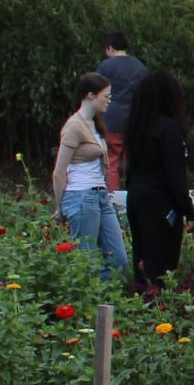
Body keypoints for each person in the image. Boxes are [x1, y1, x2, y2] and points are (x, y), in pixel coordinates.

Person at [122, 68, 194, 288]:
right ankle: (159, 303)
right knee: (162, 260)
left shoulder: (135, 127)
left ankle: (141, 294)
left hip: (135, 195)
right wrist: (187, 210)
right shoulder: (169, 129)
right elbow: (175, 176)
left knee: (142, 253)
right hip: (160, 201)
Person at [52, 73, 127, 282]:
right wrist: (60, 206)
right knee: (86, 261)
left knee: (119, 259)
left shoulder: (95, 124)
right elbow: (59, 171)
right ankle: (88, 306)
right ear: (90, 96)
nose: (109, 101)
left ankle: (102, 302)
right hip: (82, 196)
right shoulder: (74, 126)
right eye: (106, 96)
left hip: (101, 196)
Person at [95, 32, 147, 191]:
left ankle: (114, 201)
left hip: (111, 120)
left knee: (111, 163)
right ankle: (134, 197)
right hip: (135, 121)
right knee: (133, 163)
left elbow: (95, 92)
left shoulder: (105, 66)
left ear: (110, 48)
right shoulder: (141, 67)